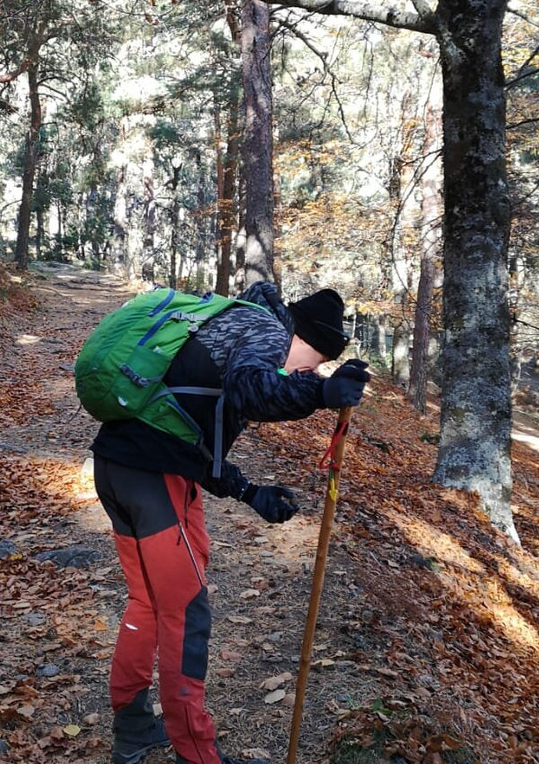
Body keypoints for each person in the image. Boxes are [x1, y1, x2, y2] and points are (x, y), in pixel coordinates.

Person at [90, 281, 370, 764]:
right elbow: (253, 392)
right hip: (156, 481)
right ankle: (196, 754)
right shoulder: (264, 329)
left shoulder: (229, 322)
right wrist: (320, 391)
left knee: (150, 603)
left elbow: (197, 433)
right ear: (305, 338)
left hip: (121, 468)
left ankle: (133, 725)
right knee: (186, 613)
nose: (309, 368)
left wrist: (249, 492)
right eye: (316, 359)